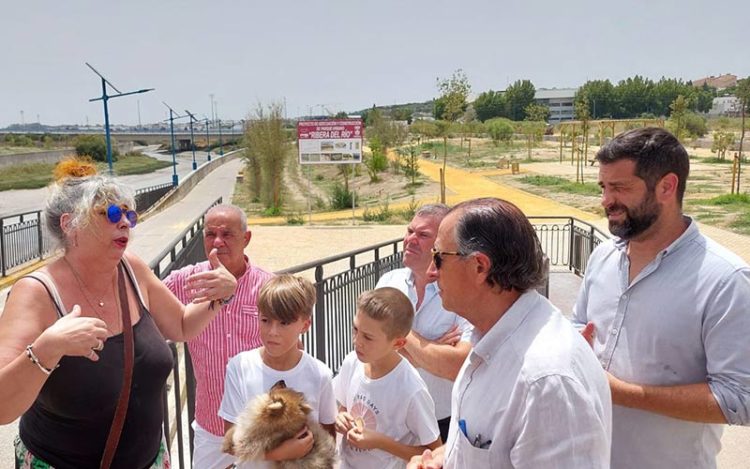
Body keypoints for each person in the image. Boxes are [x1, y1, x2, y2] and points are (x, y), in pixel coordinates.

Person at [0, 159, 237, 469]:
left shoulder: (131, 268)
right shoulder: (37, 292)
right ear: (70, 224)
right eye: (111, 214)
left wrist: (218, 297)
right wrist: (48, 348)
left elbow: (180, 325)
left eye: (129, 214)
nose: (125, 222)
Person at [572, 127, 750, 469]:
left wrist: (622, 393)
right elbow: (581, 325)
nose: (606, 201)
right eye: (604, 187)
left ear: (667, 186)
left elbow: (739, 400)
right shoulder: (602, 257)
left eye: (620, 188)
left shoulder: (725, 280)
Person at [408, 197, 611, 469]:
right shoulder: (494, 337)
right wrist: (449, 456)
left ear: (479, 266)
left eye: (438, 257)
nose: (432, 272)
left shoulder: (546, 382)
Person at [164, 203, 273, 469]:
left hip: (261, 426)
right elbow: (144, 303)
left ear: (246, 239)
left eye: (227, 234)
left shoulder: (268, 286)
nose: (218, 242)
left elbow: (294, 344)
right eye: (210, 234)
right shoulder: (186, 281)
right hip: (210, 427)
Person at [375, 204, 472, 443]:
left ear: (441, 245)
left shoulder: (459, 295)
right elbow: (368, 350)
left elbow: (456, 366)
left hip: (441, 422)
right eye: (409, 231)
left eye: (423, 235)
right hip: (388, 416)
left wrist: (399, 334)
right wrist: (432, 349)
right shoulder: (389, 282)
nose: (410, 240)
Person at [219, 274, 337, 468]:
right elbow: (230, 443)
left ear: (305, 325)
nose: (272, 331)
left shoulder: (320, 374)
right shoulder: (239, 366)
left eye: (284, 323)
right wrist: (280, 453)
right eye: (265, 320)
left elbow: (328, 440)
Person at [334, 287, 442, 469]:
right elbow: (344, 406)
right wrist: (341, 417)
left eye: (368, 337)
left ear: (398, 343)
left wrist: (381, 442)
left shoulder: (411, 389)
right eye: (355, 329)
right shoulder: (352, 362)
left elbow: (435, 452)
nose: (357, 341)